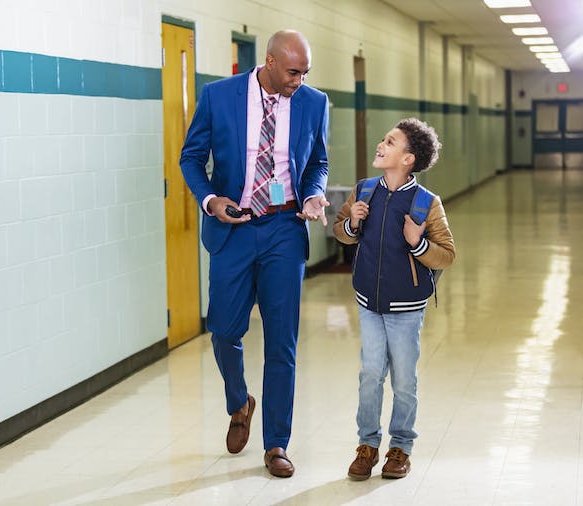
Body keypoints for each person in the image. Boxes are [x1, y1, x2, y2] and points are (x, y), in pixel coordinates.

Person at [180, 30, 330, 478]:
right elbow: (192, 157)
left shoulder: (314, 102)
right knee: (223, 329)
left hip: (285, 226)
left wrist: (314, 194)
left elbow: (318, 160)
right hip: (236, 227)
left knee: (282, 340)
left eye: (305, 73)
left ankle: (276, 443)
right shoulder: (218, 96)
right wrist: (210, 199)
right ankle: (239, 400)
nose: (299, 81)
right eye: (292, 72)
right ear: (267, 61)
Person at [332, 118, 455, 480]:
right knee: (370, 374)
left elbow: (446, 254)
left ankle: (400, 446)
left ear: (408, 159)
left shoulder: (426, 202)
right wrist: (352, 222)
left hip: (406, 308)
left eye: (390, 142)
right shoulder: (364, 190)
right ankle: (367, 445)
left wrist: (417, 241)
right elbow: (342, 232)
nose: (380, 145)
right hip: (369, 302)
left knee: (403, 380)